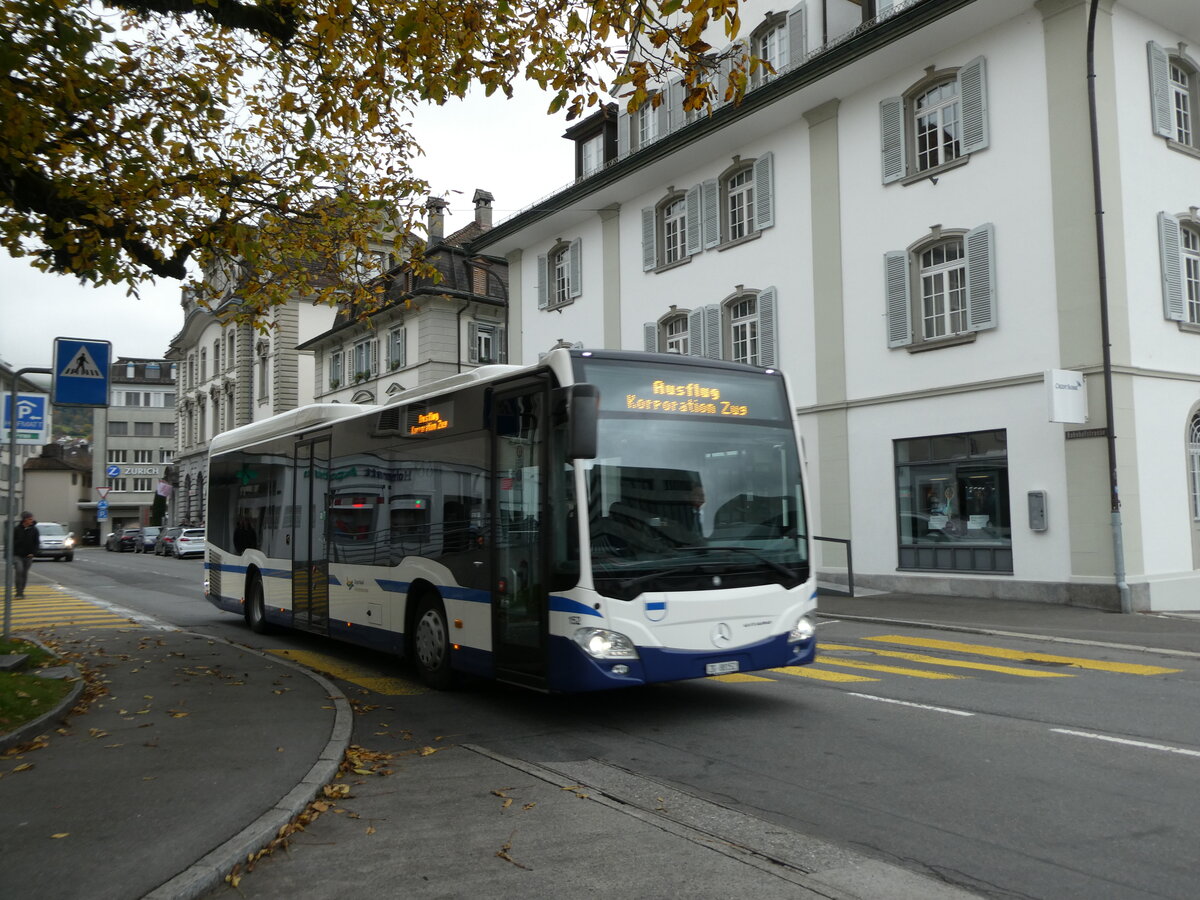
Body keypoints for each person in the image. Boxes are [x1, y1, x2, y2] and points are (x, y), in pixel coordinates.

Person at [12, 511, 40, 599]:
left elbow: (36, 543)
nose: (32, 520)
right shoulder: (17, 529)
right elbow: (12, 542)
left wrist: (33, 553)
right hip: (17, 555)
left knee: (24, 573)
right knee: (19, 571)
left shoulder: (34, 530)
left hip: (28, 556)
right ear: (25, 520)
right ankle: (18, 592)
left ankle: (21, 592)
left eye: (32, 519)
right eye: (30, 519)